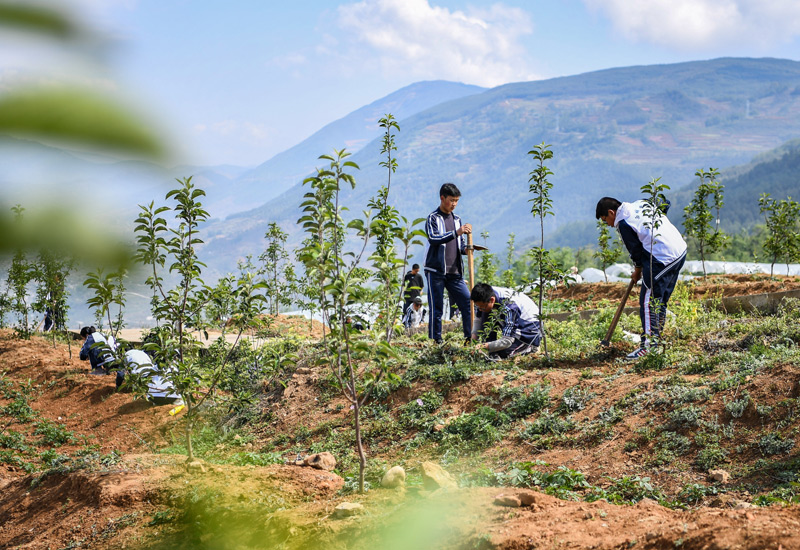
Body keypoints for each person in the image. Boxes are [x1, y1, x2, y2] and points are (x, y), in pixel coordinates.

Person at [596, 196, 687, 359]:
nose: (608, 224)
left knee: (648, 301)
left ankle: (649, 347)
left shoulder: (623, 223)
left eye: (605, 220)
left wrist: (638, 270)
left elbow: (636, 251)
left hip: (662, 257)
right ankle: (656, 342)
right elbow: (664, 203)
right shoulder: (641, 203)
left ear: (611, 212)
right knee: (659, 300)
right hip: (679, 251)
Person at [424, 182, 473, 343]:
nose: (454, 204)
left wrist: (468, 249)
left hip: (455, 272)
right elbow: (434, 238)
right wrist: (456, 232)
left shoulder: (457, 220)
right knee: (436, 307)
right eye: (451, 200)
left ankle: (469, 337)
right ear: (442, 198)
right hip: (436, 270)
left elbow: (460, 246)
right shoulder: (433, 218)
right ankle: (436, 341)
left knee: (467, 302)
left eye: (457, 201)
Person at [470, 282, 541, 361]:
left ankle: (530, 346)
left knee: (504, 353)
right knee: (486, 313)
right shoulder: (484, 295)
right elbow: (478, 319)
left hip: (528, 328)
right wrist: (473, 342)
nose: (480, 309)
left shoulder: (509, 307)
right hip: (514, 319)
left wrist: (484, 346)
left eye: (482, 307)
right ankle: (492, 348)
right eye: (478, 307)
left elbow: (507, 341)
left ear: (492, 300)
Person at [116, 349, 182, 405]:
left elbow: (120, 374)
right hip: (171, 397)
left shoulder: (155, 367)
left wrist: (118, 387)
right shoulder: (175, 369)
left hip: (153, 398)